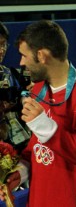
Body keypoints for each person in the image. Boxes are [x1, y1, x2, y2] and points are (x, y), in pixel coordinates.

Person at [0, 20, 76, 206]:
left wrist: (46, 127)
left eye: (24, 55)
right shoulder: (38, 91)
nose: (21, 62)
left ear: (42, 55)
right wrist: (20, 172)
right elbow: (37, 148)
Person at [0, 22, 31, 152]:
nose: (1, 50)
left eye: (3, 44)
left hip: (18, 148)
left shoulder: (11, 75)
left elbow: (23, 92)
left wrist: (24, 99)